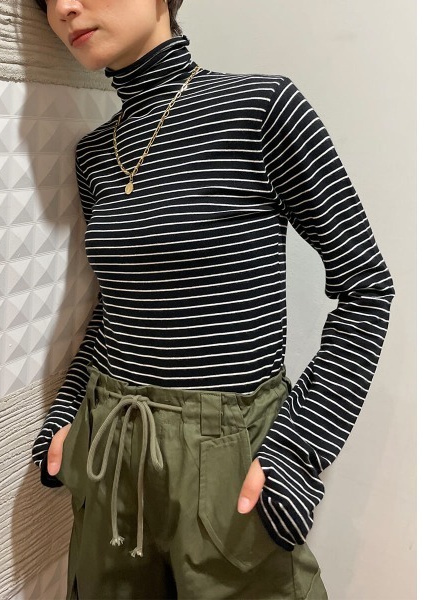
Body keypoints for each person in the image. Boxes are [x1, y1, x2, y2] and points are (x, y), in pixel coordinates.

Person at [32, 1, 395, 598]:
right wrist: (68, 410)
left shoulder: (263, 109)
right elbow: (118, 304)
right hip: (110, 446)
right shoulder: (94, 155)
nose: (65, 8)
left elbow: (367, 289)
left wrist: (298, 451)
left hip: (228, 456)